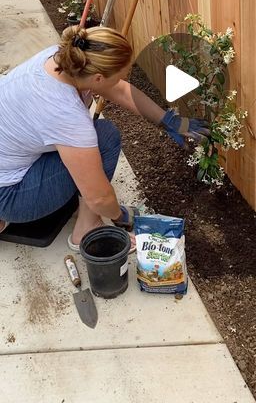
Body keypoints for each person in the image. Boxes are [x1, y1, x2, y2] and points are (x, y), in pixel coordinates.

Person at [0, 25, 208, 252]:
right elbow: (98, 197)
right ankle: (87, 230)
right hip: (9, 196)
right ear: (98, 78)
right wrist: (119, 215)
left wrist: (168, 121)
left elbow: (118, 90)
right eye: (122, 74)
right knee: (105, 138)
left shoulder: (62, 58)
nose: (124, 78)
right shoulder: (65, 114)